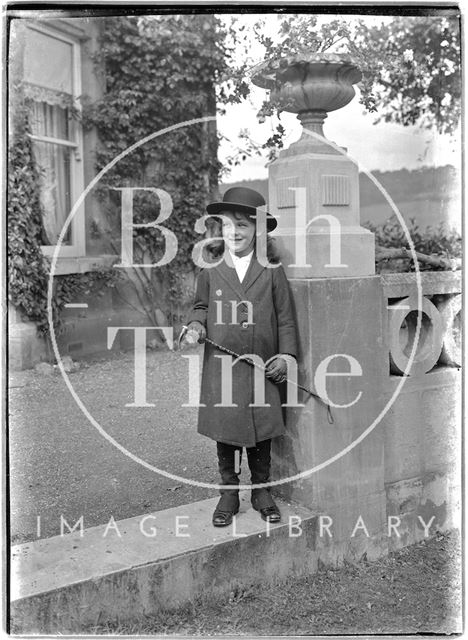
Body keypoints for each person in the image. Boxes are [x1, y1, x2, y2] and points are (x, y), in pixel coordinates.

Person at [184, 187, 298, 527]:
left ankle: (262, 490)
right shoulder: (211, 271)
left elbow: (286, 317)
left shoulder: (272, 271)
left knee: (262, 429)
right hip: (223, 369)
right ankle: (229, 492)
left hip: (263, 366)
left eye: (243, 226)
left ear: (257, 230)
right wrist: (194, 326)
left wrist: (286, 355)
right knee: (228, 429)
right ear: (220, 228)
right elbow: (200, 307)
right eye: (228, 225)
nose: (235, 232)